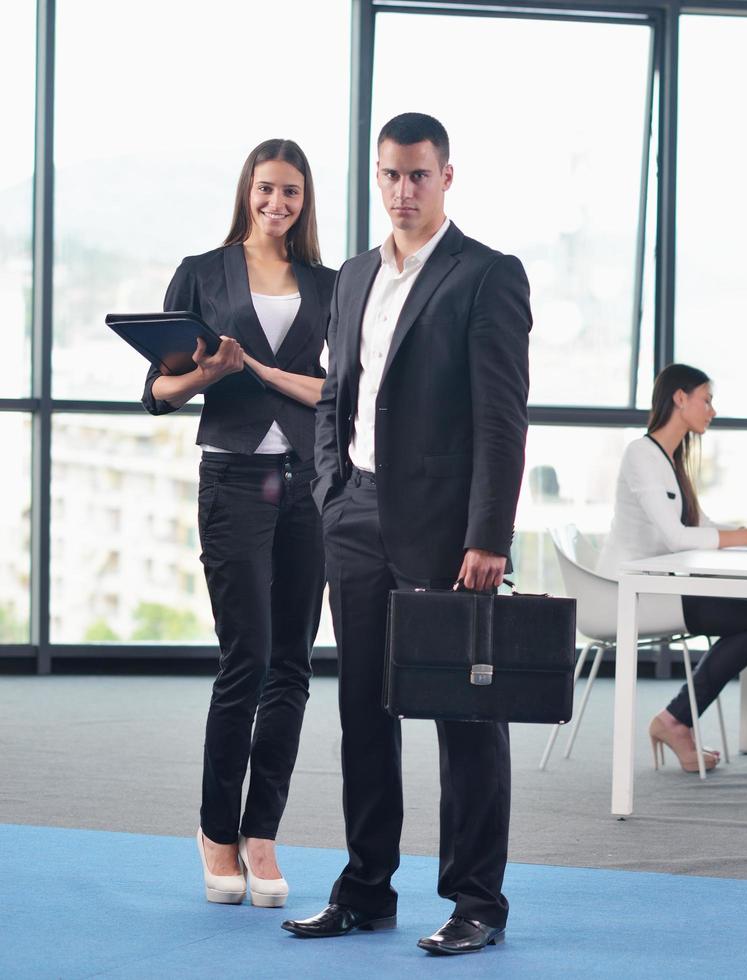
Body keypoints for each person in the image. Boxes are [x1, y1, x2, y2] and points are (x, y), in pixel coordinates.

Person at [281, 113, 531, 957]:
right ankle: (364, 889)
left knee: (465, 719)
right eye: (389, 175)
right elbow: (332, 392)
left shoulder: (486, 276)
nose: (402, 191)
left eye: (418, 175)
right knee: (362, 711)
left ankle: (476, 904)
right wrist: (329, 489)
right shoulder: (354, 275)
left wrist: (487, 536)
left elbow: (501, 422)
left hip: (447, 536)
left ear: (447, 177)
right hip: (354, 518)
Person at [143, 139, 334, 909]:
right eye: (265, 189)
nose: (276, 203)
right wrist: (208, 374)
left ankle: (263, 834)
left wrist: (260, 371)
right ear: (246, 192)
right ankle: (217, 831)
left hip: (308, 485)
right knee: (246, 660)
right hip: (233, 479)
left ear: (304, 198)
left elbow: (339, 388)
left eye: (289, 191)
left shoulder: (329, 283)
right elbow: (157, 391)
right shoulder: (202, 273)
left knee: (292, 665)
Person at [597, 364, 747, 774]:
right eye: (707, 399)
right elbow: (677, 538)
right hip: (629, 596)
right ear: (680, 398)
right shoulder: (642, 454)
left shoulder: (669, 459)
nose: (712, 409)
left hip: (656, 589)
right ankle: (675, 721)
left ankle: (676, 719)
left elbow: (699, 527)